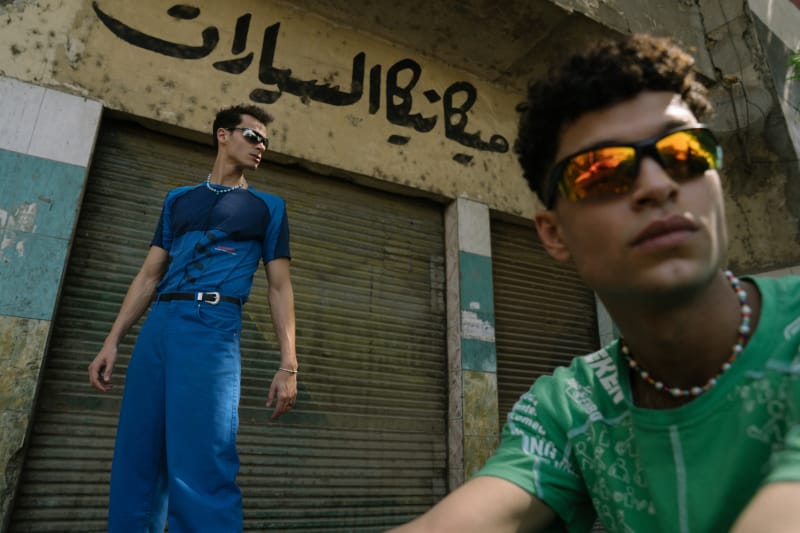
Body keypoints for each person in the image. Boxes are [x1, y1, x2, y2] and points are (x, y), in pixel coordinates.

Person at [391, 34, 800, 532]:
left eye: (684, 153)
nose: (657, 185)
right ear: (555, 234)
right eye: (602, 171)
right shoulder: (570, 409)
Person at [87, 104, 298, 532]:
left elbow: (279, 287)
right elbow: (149, 275)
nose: (261, 146)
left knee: (203, 455)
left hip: (212, 327)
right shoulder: (178, 199)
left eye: (266, 141)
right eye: (253, 136)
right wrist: (113, 340)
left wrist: (288, 363)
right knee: (137, 452)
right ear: (223, 135)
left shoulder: (268, 207)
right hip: (160, 324)